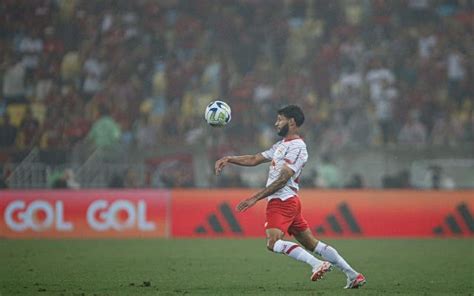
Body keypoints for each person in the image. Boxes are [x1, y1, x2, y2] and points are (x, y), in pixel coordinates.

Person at [215, 105, 366, 289]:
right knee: (312, 244)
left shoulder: (298, 147)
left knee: (273, 243)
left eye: (280, 119)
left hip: (281, 201)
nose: (276, 123)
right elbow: (254, 159)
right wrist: (229, 158)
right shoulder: (281, 145)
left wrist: (255, 197)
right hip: (289, 202)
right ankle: (353, 275)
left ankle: (316, 264)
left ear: (292, 122)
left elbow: (284, 178)